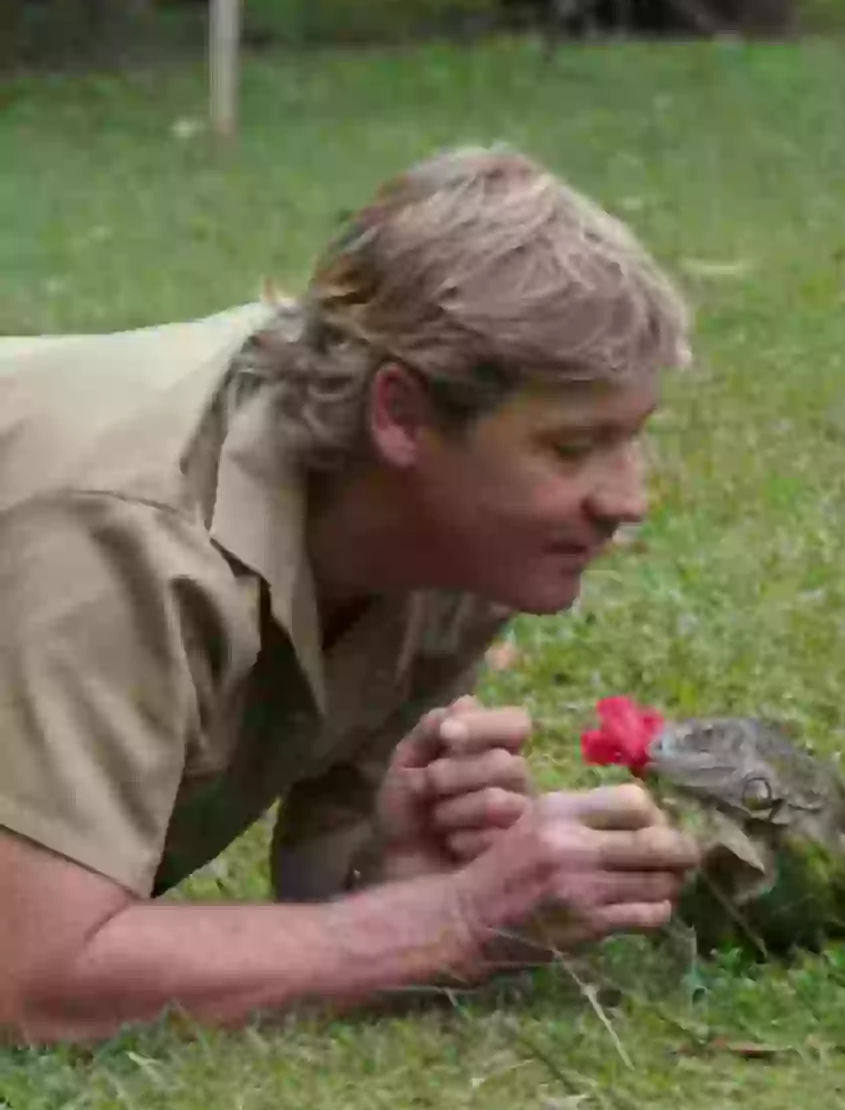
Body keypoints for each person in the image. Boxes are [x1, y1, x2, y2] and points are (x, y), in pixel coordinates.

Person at [0, 146, 700, 1043]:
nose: (627, 500)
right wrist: (458, 919)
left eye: (631, 439)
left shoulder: (448, 527)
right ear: (401, 415)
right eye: (570, 448)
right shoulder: (127, 536)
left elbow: (323, 906)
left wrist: (401, 871)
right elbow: (37, 980)